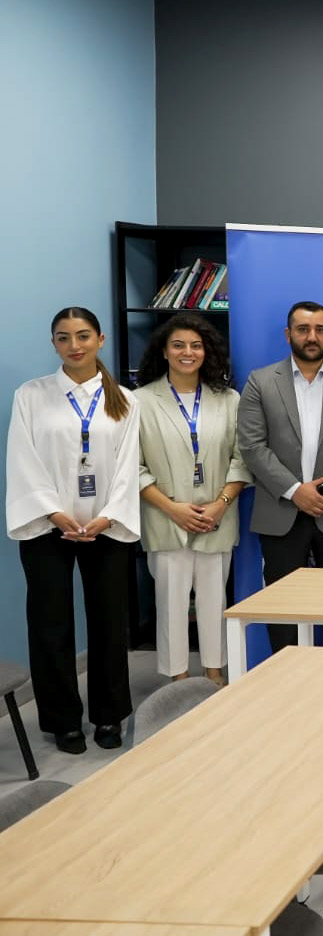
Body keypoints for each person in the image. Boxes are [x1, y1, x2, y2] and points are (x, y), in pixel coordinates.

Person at [6, 308, 140, 753]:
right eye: (63, 338)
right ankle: (62, 721)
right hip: (48, 527)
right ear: (54, 344)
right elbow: (22, 458)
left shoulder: (125, 399)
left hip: (107, 525)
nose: (74, 345)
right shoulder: (32, 395)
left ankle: (108, 715)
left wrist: (108, 515)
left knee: (109, 624)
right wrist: (53, 512)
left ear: (100, 339)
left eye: (83, 336)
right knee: (51, 625)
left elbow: (128, 465)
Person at [237, 300, 323, 651]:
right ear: (288, 334)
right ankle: (286, 678)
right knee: (283, 610)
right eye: (303, 329)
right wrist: (295, 490)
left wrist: (322, 492)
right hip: (280, 511)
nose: (312, 337)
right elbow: (252, 446)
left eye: (319, 330)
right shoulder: (260, 381)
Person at [134, 313, 251, 687]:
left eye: (196, 345)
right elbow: (132, 466)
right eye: (178, 345)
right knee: (170, 603)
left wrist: (220, 504)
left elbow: (242, 458)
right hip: (166, 517)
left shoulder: (229, 399)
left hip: (217, 516)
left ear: (207, 351)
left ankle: (215, 674)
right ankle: (178, 680)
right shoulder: (139, 401)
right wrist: (173, 509)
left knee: (215, 601)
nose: (188, 352)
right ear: (164, 352)